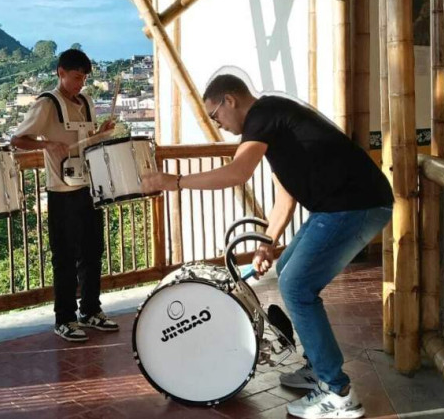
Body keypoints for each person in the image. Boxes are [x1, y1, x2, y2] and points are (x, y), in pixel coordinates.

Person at [142, 74, 392, 419]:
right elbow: (285, 196)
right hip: (339, 207)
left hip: (353, 206)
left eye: (215, 115)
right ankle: (315, 367)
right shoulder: (274, 124)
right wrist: (267, 243)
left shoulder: (263, 114)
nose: (219, 125)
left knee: (296, 286)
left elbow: (237, 173)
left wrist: (176, 182)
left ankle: (337, 393)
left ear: (229, 100)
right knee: (286, 269)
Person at [11, 49, 120, 342]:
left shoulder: (86, 102)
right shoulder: (47, 104)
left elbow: (87, 140)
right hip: (62, 192)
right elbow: (17, 139)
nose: (80, 83)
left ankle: (91, 310)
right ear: (60, 72)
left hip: (90, 187)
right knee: (64, 258)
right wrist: (46, 145)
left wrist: (102, 133)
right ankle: (65, 318)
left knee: (93, 252)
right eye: (75, 77)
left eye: (84, 77)